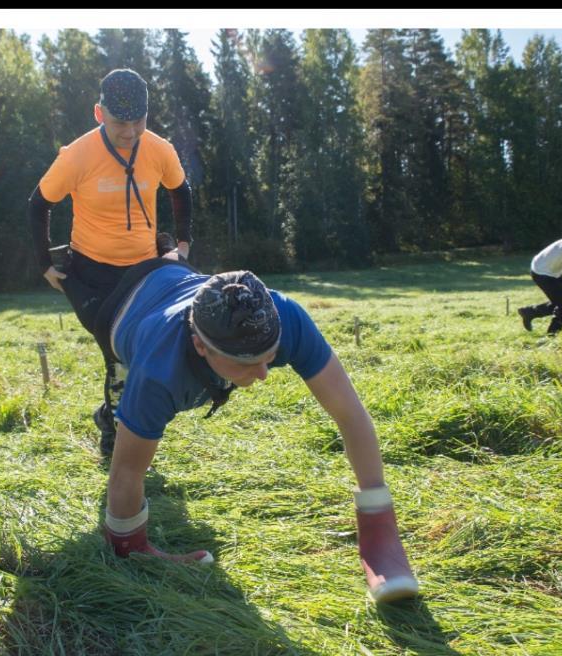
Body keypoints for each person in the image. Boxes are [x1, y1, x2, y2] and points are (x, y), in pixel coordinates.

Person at [94, 258, 419, 604]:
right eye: (247, 363)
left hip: (176, 274)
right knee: (124, 411)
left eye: (271, 355)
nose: (264, 374)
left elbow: (350, 413)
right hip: (117, 310)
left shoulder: (284, 316)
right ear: (201, 346)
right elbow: (126, 472)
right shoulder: (158, 371)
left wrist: (378, 527)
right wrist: (130, 547)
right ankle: (110, 414)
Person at [28, 68, 193, 455]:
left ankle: (111, 415)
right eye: (121, 122)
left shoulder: (159, 149)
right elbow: (38, 205)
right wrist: (44, 264)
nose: (131, 132)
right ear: (99, 114)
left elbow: (181, 192)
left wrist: (183, 245)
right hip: (93, 272)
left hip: (145, 272)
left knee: (148, 350)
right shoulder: (77, 156)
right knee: (118, 353)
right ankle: (116, 435)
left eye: (140, 121)